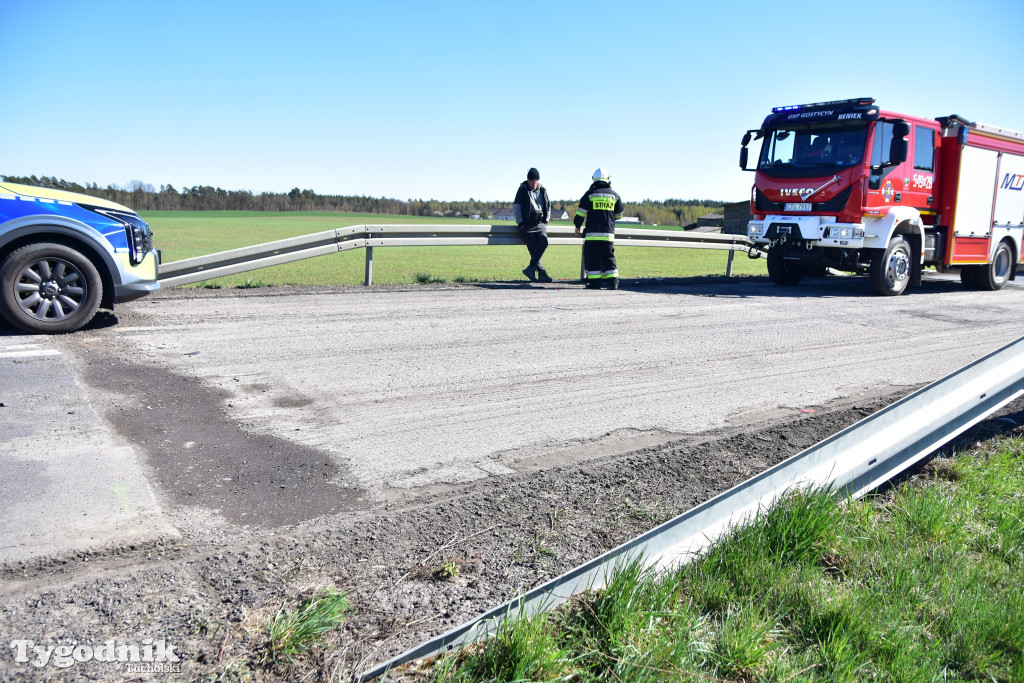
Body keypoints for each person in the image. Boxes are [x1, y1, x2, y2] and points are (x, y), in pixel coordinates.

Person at [573, 168, 624, 289]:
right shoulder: (614, 195)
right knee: (609, 257)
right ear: (608, 180)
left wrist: (577, 226)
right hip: (608, 234)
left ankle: (595, 283)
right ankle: (613, 282)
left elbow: (580, 213)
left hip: (592, 235)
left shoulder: (590, 194)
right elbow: (619, 215)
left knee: (593, 258)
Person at [513, 167, 552, 282]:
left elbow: (548, 206)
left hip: (540, 224)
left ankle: (531, 269)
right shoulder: (522, 190)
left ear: (538, 180)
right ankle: (542, 272)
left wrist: (546, 221)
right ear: (528, 180)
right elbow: (516, 208)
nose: (534, 184)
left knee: (544, 242)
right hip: (527, 225)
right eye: (532, 181)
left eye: (536, 181)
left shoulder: (543, 190)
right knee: (534, 246)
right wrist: (520, 223)